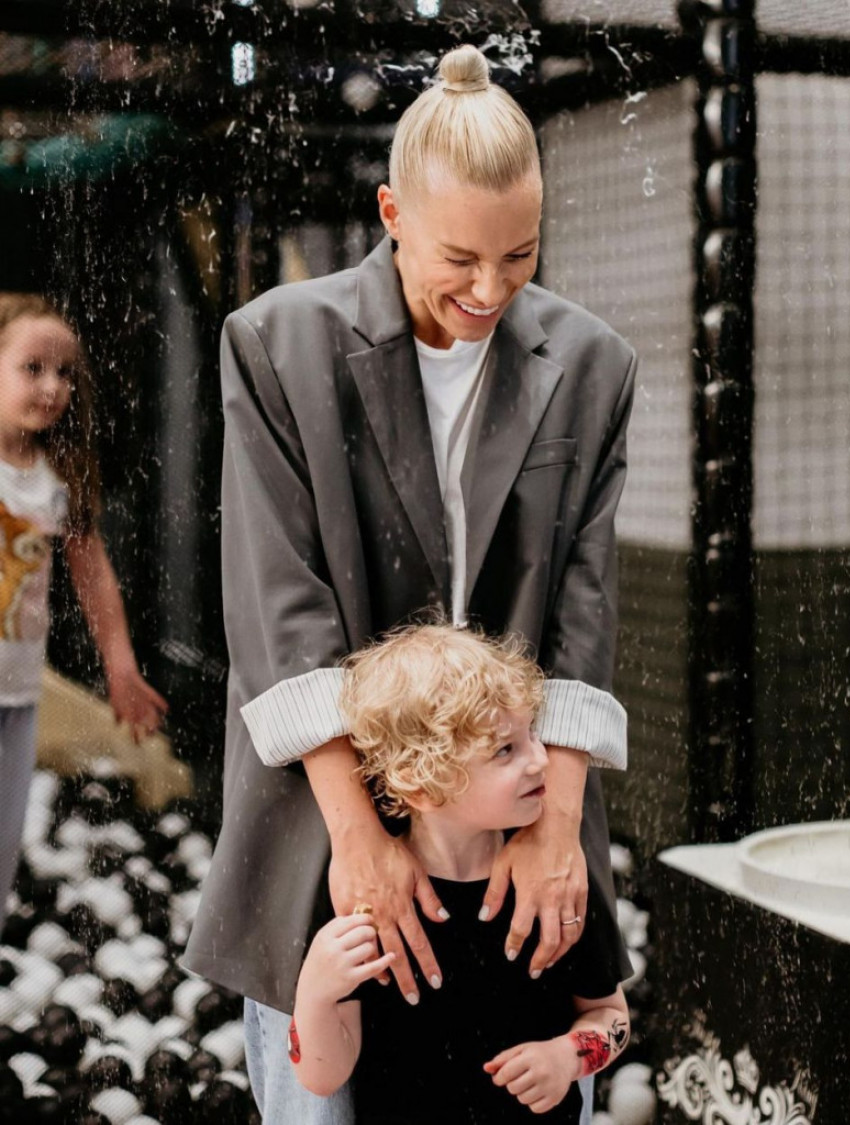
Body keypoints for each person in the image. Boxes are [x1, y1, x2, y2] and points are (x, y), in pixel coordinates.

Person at [183, 42, 637, 1125]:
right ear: (391, 213)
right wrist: (357, 837)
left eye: (520, 255)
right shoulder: (276, 344)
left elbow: (583, 605)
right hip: (322, 804)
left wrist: (556, 823)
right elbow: (279, 606)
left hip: (518, 807)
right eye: (459, 258)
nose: (489, 290)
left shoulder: (594, 365)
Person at [292, 623, 631, 1125]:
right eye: (505, 750)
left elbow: (612, 1017)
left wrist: (567, 1058)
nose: (541, 759)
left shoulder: (554, 888)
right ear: (423, 784)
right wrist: (314, 994)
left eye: (533, 733)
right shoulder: (373, 902)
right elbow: (322, 1077)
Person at [0, 293, 168, 930]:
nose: (52, 387)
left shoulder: (55, 476)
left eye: (65, 372)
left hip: (18, 694)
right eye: (32, 368)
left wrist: (120, 668)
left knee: (3, 846)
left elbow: (93, 576)